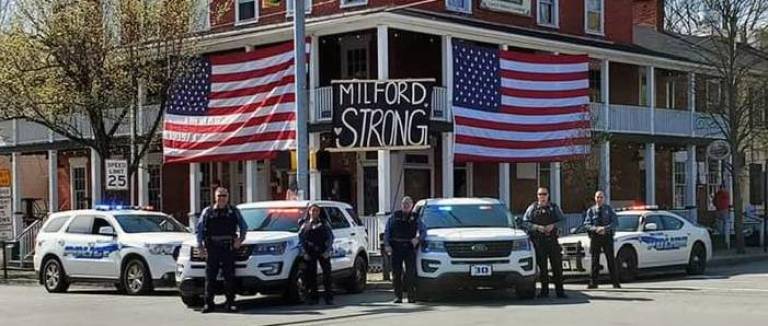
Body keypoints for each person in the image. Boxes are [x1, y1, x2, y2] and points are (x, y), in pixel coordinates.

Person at [196, 187, 248, 313]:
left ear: (228, 197)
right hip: (212, 248)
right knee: (210, 277)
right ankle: (208, 304)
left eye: (224, 195)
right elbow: (199, 230)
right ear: (215, 197)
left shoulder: (233, 211)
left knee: (229, 277)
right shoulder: (207, 212)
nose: (222, 198)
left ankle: (230, 303)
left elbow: (244, 227)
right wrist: (200, 247)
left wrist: (239, 240)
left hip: (228, 248)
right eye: (219, 196)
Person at [522, 187, 567, 298]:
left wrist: (553, 226)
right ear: (537, 196)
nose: (542, 196)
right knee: (542, 268)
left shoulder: (554, 208)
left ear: (548, 195)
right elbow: (524, 222)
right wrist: (537, 227)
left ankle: (560, 292)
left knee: (557, 266)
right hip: (539, 242)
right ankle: (544, 291)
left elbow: (563, 221)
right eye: (540, 194)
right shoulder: (532, 208)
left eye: (544, 194)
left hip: (552, 241)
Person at [383, 196, 426, 303]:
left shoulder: (416, 217)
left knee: (410, 273)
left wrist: (418, 239)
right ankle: (398, 296)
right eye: (404, 203)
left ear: (412, 205)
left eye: (408, 204)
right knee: (396, 273)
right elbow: (387, 231)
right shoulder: (394, 216)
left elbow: (423, 231)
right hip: (396, 248)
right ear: (401, 205)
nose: (406, 205)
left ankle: (411, 296)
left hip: (409, 247)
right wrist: (387, 245)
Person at [298, 204, 335, 305]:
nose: (314, 213)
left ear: (319, 212)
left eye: (316, 211)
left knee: (327, 274)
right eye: (312, 211)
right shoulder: (304, 224)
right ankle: (313, 297)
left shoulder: (324, 223)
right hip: (310, 253)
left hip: (323, 252)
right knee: (311, 275)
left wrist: (327, 251)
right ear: (309, 212)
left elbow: (330, 237)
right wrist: (304, 252)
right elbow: (300, 239)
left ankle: (328, 297)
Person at [583, 191, 621, 289]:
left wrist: (605, 228)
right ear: (595, 198)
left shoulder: (609, 209)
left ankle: (615, 282)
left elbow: (615, 223)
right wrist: (596, 229)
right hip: (595, 237)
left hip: (607, 236)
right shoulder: (591, 211)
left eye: (601, 197)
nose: (599, 199)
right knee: (595, 260)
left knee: (611, 260)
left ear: (604, 198)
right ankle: (593, 283)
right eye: (597, 197)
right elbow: (586, 224)